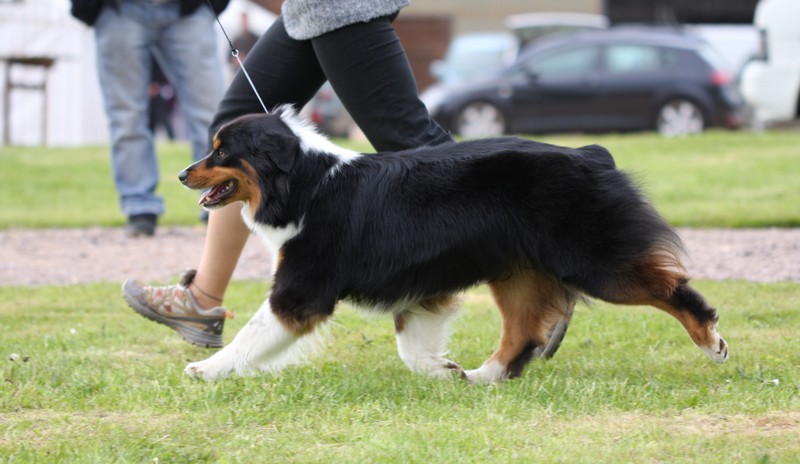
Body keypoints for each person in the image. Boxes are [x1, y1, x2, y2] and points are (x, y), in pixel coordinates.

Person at [123, 0, 572, 355]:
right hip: (307, 8)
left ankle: (540, 254)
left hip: (340, 4)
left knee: (408, 139)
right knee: (235, 125)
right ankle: (202, 300)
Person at [69, 0, 229, 237]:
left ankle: (219, 199)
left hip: (187, 9)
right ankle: (139, 207)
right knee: (126, 116)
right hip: (118, 10)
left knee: (212, 113)